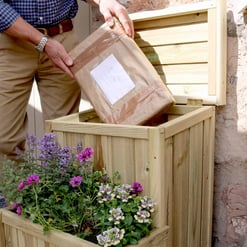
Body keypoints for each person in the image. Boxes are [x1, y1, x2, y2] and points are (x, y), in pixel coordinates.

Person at [0, 0, 134, 160]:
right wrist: (43, 42)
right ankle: (17, 185)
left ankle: (61, 184)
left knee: (63, 135)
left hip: (61, 39)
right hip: (12, 42)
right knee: (4, 138)